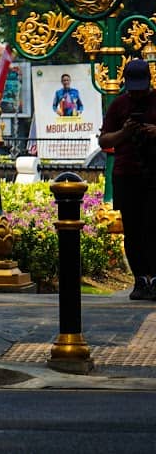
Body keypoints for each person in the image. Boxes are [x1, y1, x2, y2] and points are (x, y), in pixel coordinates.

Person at [98, 58, 156, 301]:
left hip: (153, 174)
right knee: (132, 230)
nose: (137, 94)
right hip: (127, 174)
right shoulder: (119, 105)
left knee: (153, 226)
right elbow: (103, 141)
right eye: (133, 89)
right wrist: (124, 132)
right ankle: (140, 279)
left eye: (141, 88)